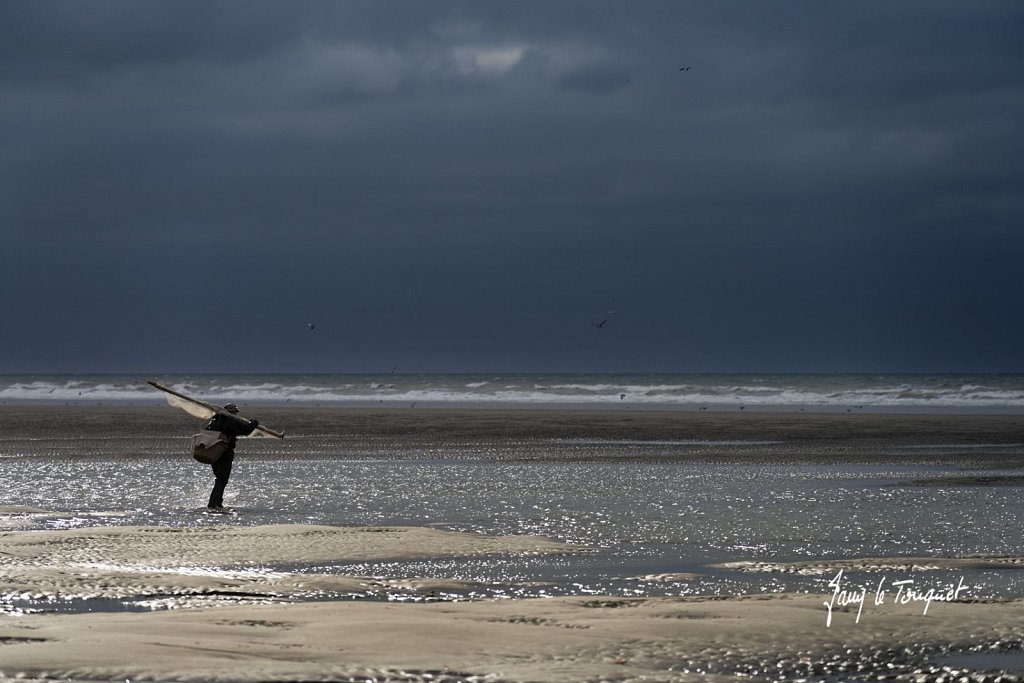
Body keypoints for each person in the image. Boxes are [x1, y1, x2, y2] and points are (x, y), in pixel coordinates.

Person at [204, 403, 257, 510]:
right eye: (235, 412)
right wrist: (254, 422)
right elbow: (246, 430)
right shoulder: (229, 420)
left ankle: (218, 503)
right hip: (224, 453)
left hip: (213, 453)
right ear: (232, 412)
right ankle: (213, 504)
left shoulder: (214, 420)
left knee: (219, 478)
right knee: (222, 479)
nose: (236, 414)